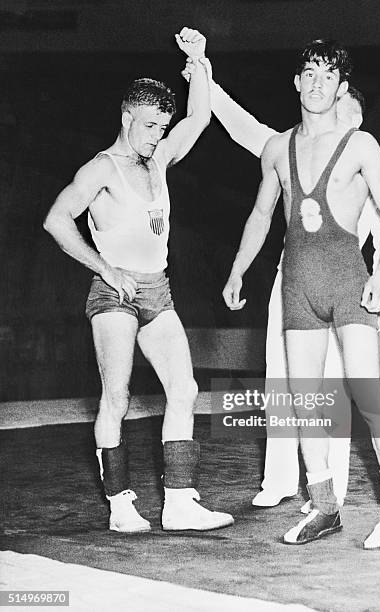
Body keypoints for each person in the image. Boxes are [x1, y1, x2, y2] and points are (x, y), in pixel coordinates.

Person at [222, 40, 380, 549]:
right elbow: (262, 215)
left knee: (366, 394)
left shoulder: (360, 145)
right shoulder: (276, 148)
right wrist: (239, 268)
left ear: (341, 87)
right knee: (306, 402)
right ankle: (325, 504)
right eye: (309, 74)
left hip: (348, 282)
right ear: (296, 81)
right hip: (298, 286)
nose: (317, 84)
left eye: (328, 77)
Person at [43, 28, 233, 534]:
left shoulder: (161, 159)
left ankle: (178, 502)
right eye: (149, 126)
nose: (156, 135)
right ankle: (121, 505)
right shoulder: (101, 169)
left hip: (157, 290)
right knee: (117, 399)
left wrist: (201, 62)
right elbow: (57, 220)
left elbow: (199, 117)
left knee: (185, 388)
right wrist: (104, 267)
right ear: (128, 118)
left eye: (161, 127)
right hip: (115, 295)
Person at [183, 59, 380, 510]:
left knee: (333, 385)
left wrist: (379, 295)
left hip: (347, 284)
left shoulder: (364, 161)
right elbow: (242, 127)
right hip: (293, 279)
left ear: (355, 116)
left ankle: (331, 487)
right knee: (282, 378)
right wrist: (204, 76)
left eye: (343, 105)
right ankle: (279, 479)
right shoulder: (290, 146)